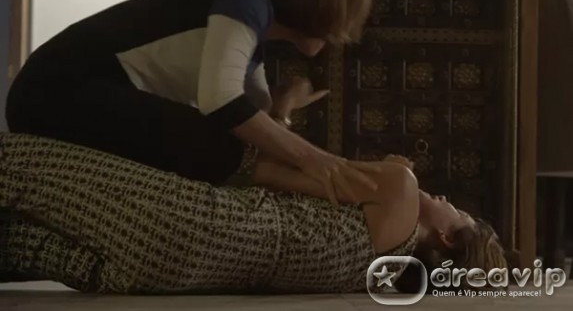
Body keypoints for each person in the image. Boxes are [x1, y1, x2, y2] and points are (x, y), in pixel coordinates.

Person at [5, 0, 376, 204]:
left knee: (223, 139)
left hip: (80, 92)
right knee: (210, 138)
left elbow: (255, 121)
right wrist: (318, 160)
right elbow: (222, 102)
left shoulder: (253, 32)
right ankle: (345, 193)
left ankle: (341, 191)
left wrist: (284, 108)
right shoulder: (246, 3)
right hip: (52, 92)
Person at [0, 131, 506, 294]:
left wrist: (393, 169)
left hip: (188, 218)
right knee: (12, 243)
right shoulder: (372, 279)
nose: (446, 201)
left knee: (18, 165)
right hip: (171, 275)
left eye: (456, 212)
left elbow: (267, 171)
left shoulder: (401, 190)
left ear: (445, 239)